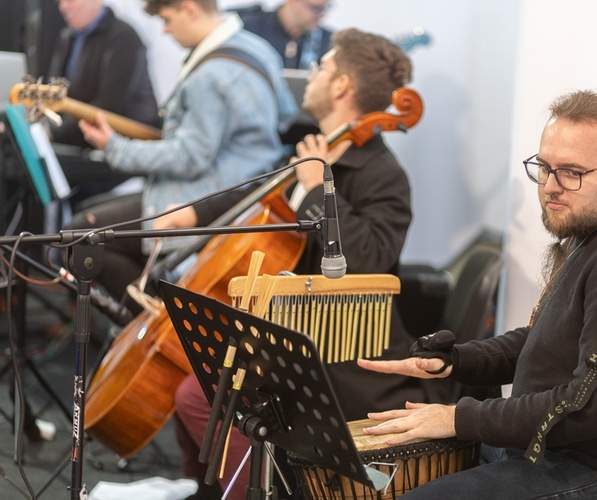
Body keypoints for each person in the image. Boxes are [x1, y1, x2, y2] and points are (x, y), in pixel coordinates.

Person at [357, 90, 597, 500]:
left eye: (572, 172)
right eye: (544, 168)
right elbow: (545, 340)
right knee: (386, 473)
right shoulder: (592, 232)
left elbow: (585, 408)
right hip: (562, 453)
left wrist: (456, 418)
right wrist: (455, 361)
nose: (551, 187)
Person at [161, 28, 452, 500]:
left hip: (344, 352)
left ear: (341, 85)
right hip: (294, 334)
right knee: (198, 386)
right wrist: (189, 215)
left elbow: (370, 259)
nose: (309, 77)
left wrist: (318, 189)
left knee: (200, 395)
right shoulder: (310, 147)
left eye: (320, 68)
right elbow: (258, 193)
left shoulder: (383, 174)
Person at [66, 0, 297, 312]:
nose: (164, 30)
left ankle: (165, 324)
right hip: (247, 194)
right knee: (96, 222)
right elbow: (286, 115)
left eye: (167, 19)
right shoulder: (258, 49)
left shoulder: (209, 76)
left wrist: (114, 147)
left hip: (204, 198)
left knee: (83, 237)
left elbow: (189, 158)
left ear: (189, 8)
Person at [47, 0, 161, 207]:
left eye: (70, 0)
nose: (63, 7)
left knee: (80, 200)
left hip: (123, 148)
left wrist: (55, 133)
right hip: (80, 143)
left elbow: (108, 106)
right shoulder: (67, 37)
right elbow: (55, 96)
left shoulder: (124, 36)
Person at [233, 0, 332, 69]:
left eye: (325, 8)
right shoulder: (250, 28)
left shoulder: (328, 41)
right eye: (315, 8)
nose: (321, 15)